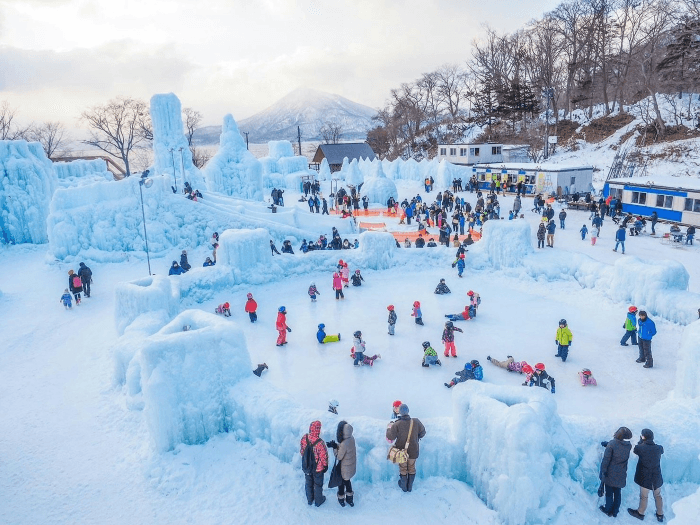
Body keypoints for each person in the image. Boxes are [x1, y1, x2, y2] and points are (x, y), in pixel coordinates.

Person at [386, 404, 426, 492]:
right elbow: (423, 432)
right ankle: (410, 486)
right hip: (414, 450)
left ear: (400, 413)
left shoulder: (397, 424)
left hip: (401, 451)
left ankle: (404, 486)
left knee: (403, 468)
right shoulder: (416, 421)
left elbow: (390, 436)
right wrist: (416, 438)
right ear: (408, 411)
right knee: (412, 467)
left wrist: (389, 427)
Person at [627, 429, 664, 522]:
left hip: (645, 478)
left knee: (644, 496)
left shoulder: (641, 448)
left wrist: (641, 442)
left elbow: (635, 450)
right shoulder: (659, 448)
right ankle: (660, 515)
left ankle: (640, 513)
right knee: (658, 495)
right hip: (656, 477)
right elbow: (661, 451)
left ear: (643, 437)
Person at [600, 427, 633, 518]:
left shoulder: (612, 444)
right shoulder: (628, 445)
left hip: (610, 473)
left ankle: (607, 510)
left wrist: (603, 472)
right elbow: (619, 448)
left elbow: (606, 460)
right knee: (618, 492)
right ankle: (615, 511)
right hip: (621, 473)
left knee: (609, 493)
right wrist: (608, 444)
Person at [326, 421, 357, 507]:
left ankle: (341, 499)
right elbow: (345, 448)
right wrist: (336, 445)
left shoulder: (343, 444)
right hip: (350, 468)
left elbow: (339, 457)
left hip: (344, 469)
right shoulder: (351, 438)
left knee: (341, 484)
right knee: (347, 482)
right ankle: (350, 499)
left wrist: (335, 448)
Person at [300, 420, 329, 507]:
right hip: (318, 469)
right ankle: (318, 501)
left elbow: (302, 451)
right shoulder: (320, 443)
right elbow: (324, 457)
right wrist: (325, 466)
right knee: (318, 485)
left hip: (307, 466)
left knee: (308, 483)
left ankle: (310, 500)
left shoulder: (304, 438)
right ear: (318, 430)